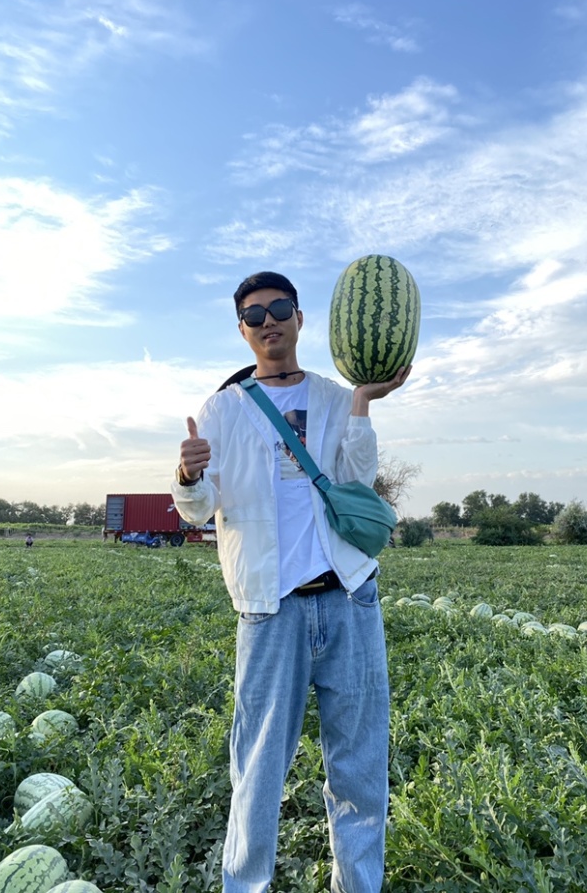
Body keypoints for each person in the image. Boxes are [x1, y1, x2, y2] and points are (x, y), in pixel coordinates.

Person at [171, 271, 410, 893]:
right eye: (254, 315)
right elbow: (199, 510)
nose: (268, 320)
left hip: (350, 598)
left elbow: (357, 477)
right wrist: (190, 476)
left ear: (300, 319)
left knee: (358, 768)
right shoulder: (221, 409)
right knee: (257, 768)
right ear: (243, 330)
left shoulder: (333, 397)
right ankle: (244, 886)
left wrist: (362, 402)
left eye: (279, 308)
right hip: (270, 609)